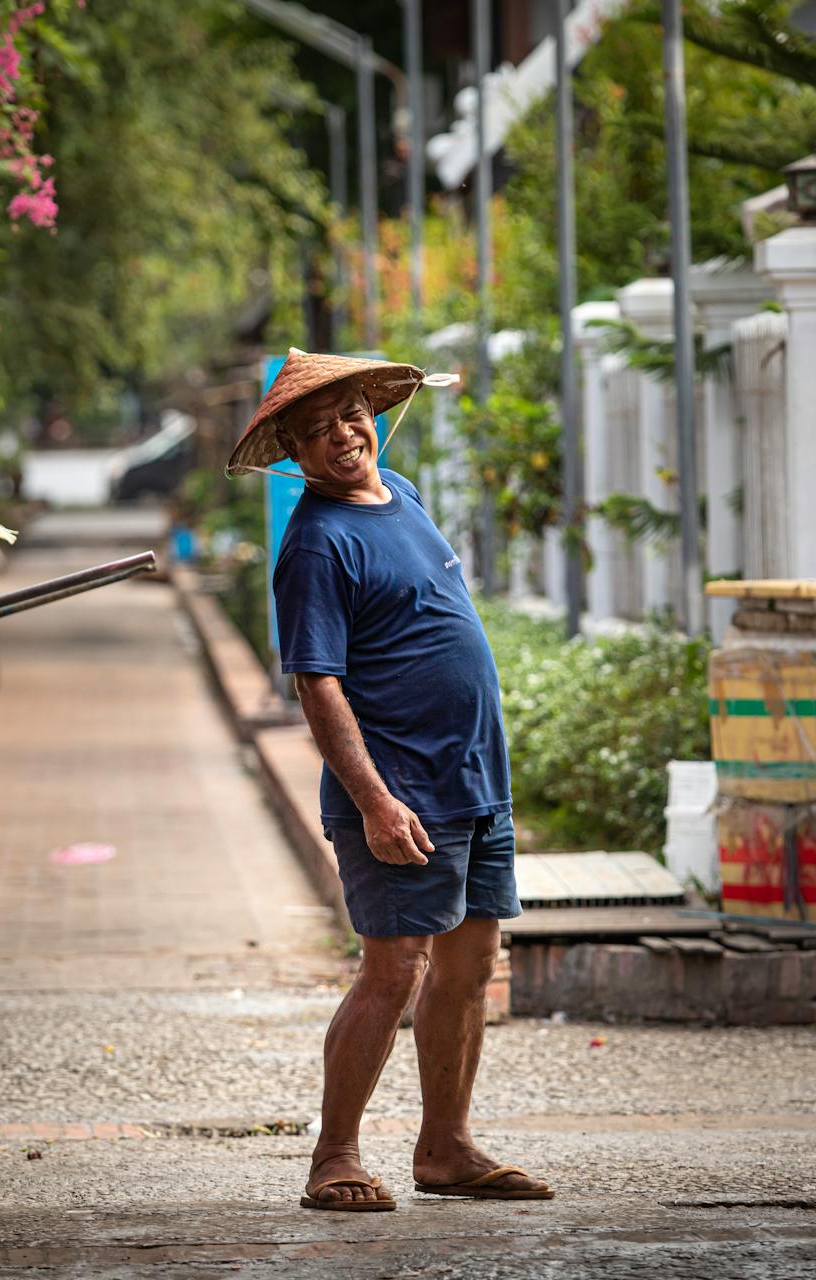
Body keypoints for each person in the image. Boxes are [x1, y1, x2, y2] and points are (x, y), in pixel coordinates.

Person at [226, 350, 554, 1213]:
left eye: (349, 416)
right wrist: (374, 800)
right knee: (393, 968)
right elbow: (317, 683)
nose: (341, 436)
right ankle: (333, 1157)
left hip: (476, 779)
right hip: (403, 792)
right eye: (316, 430)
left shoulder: (400, 492)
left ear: (372, 414)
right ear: (293, 452)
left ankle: (445, 1147)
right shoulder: (316, 545)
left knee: (471, 963)